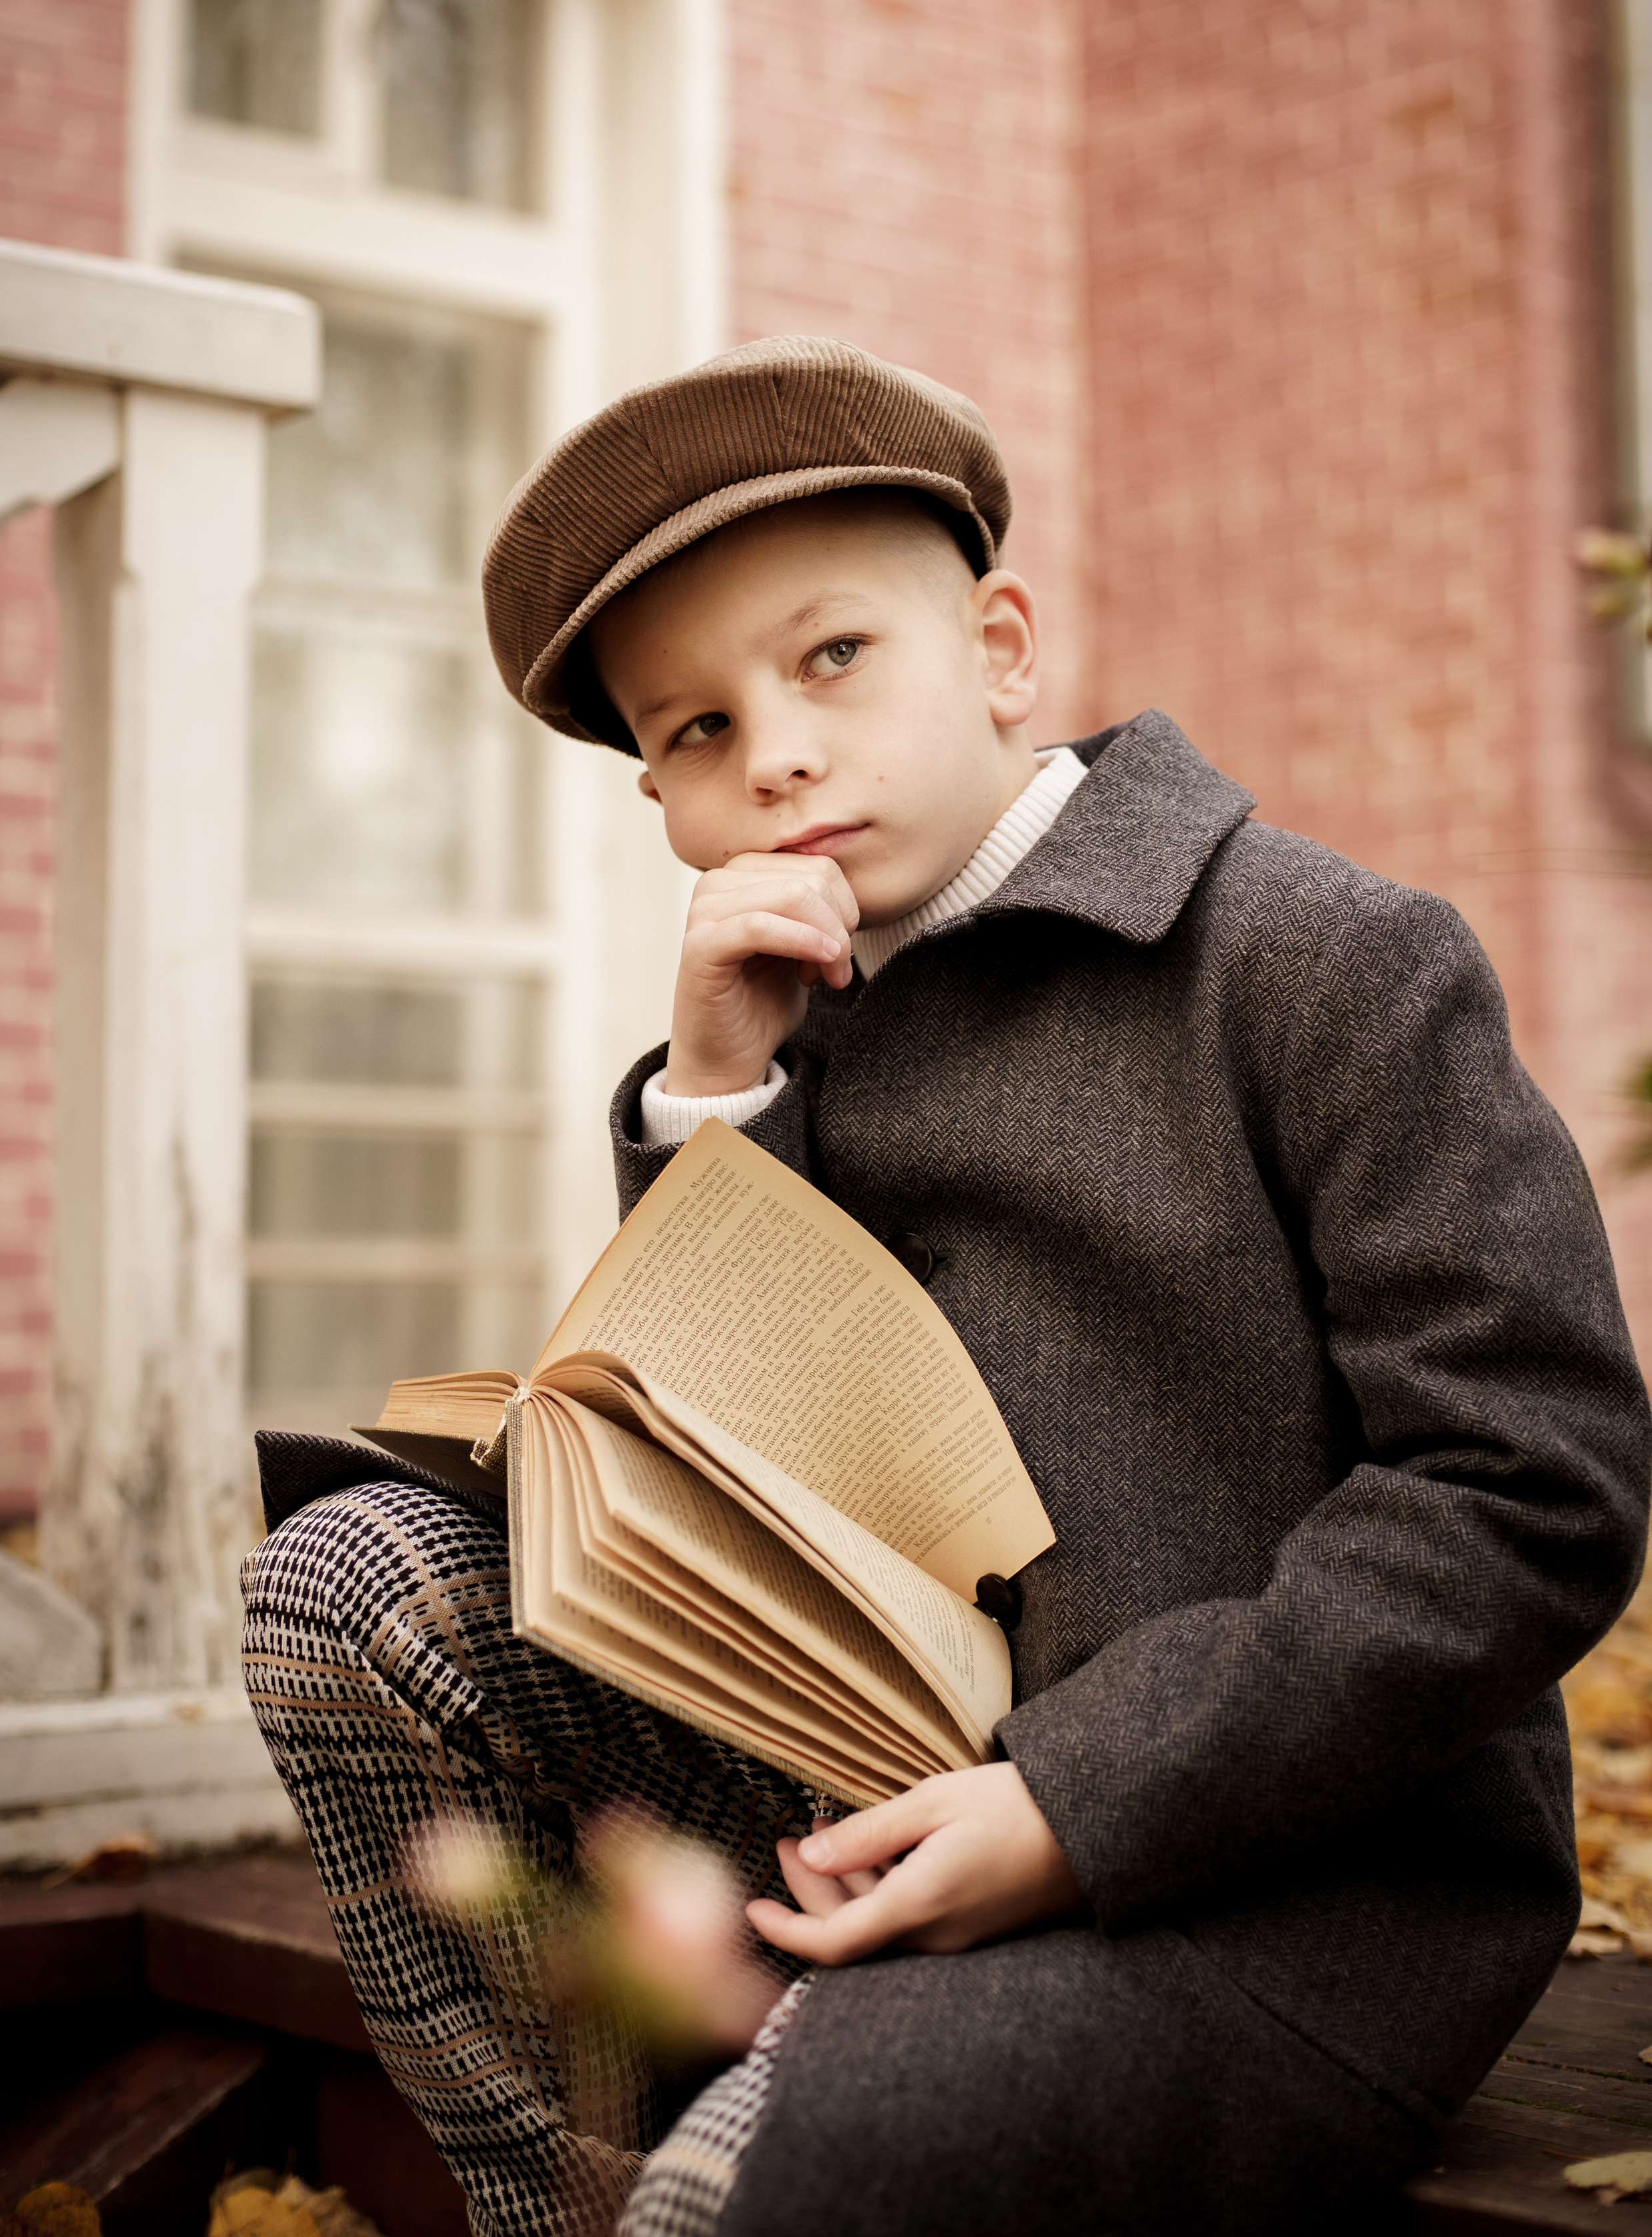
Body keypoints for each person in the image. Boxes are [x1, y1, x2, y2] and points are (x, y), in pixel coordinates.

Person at [244, 334, 1649, 2237]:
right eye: (697, 732)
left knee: (748, 2204)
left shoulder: (1326, 961)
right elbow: (719, 1492)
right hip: (860, 1779)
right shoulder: (789, 1010)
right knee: (345, 1584)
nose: (780, 756)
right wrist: (715, 1098)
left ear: (997, 650)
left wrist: (1077, 1797)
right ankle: (563, 2191)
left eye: (831, 660)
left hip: (1261, 1874)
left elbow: (1532, 1490)